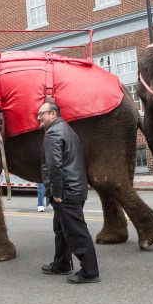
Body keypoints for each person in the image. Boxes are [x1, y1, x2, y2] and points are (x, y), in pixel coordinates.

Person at [37, 101, 100, 284]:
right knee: (61, 229)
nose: (39, 117)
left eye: (42, 113)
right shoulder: (67, 130)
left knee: (76, 231)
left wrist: (56, 192)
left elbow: (54, 166)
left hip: (66, 191)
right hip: (75, 188)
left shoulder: (53, 134)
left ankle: (90, 271)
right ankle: (62, 263)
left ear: (53, 115)